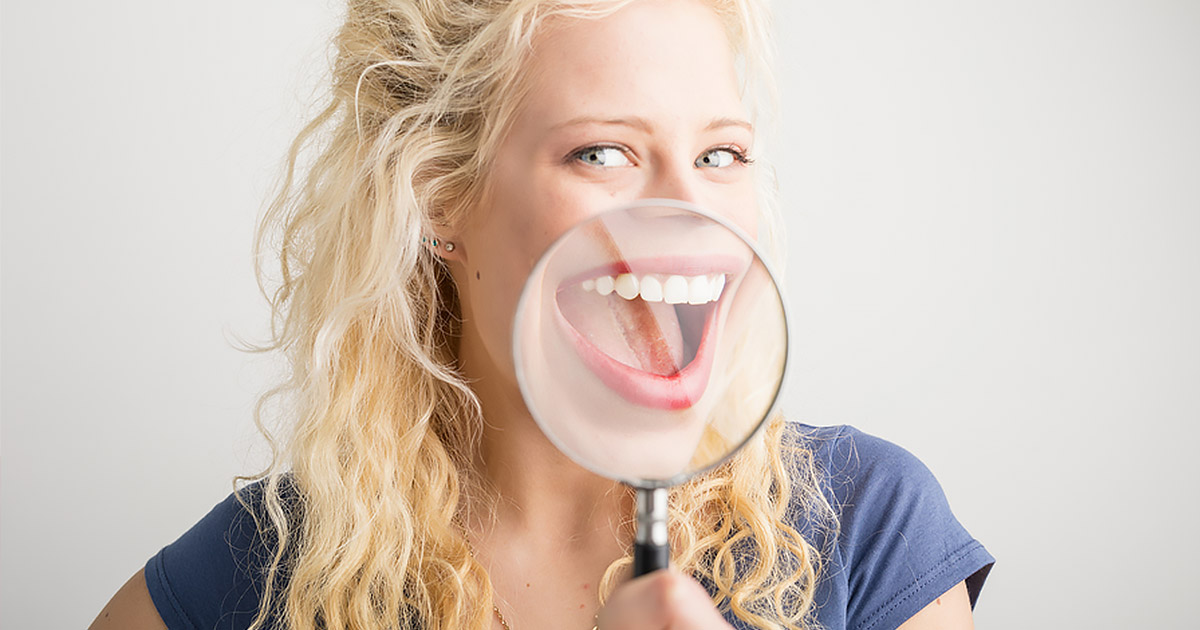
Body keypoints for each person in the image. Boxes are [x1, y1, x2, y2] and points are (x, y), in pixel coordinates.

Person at [90, 0, 993, 628]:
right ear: (440, 194)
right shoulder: (262, 575)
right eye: (603, 152)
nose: (689, 217)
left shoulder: (865, 529)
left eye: (722, 156)